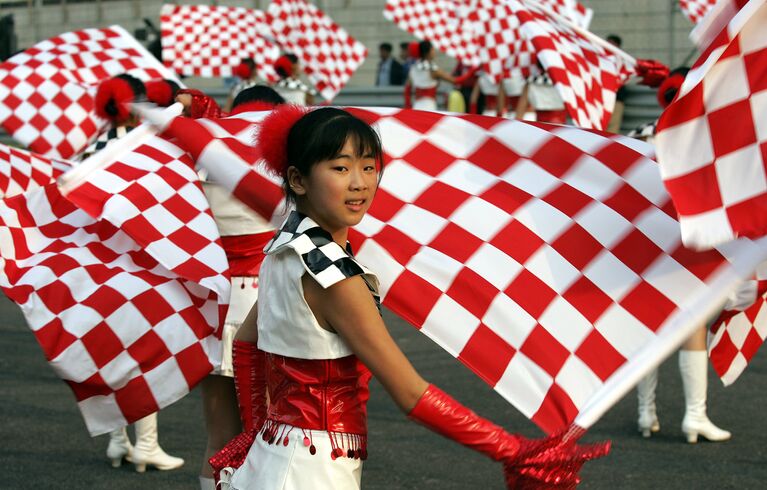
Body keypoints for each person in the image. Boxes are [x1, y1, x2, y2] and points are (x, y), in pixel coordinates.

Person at [189, 105, 609, 489]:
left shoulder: (284, 248)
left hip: (277, 455)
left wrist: (256, 428)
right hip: (314, 470)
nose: (359, 183)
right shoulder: (335, 277)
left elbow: (245, 341)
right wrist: (514, 450)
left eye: (369, 167)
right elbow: (410, 392)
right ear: (298, 179)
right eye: (340, 168)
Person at [173, 85, 287, 490]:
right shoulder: (278, 165)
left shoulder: (203, 159)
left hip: (214, 303)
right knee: (271, 433)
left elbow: (201, 115)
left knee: (218, 435)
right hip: (268, 302)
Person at [92, 74, 185, 473]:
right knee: (145, 356)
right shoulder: (144, 147)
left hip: (98, 267)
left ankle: (118, 442)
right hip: (139, 264)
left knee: (114, 356)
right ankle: (146, 444)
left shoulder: (93, 146)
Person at [632, 67, 730, 444]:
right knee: (693, 324)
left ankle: (646, 413)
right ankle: (694, 417)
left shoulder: (643, 132)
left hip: (645, 240)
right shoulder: (706, 135)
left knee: (649, 327)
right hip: (688, 237)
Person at [403, 40, 471, 111]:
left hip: (416, 106)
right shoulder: (433, 69)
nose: (434, 52)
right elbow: (455, 81)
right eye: (432, 49)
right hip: (429, 106)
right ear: (428, 52)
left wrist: (407, 106)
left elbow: (407, 88)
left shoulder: (413, 68)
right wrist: (472, 71)